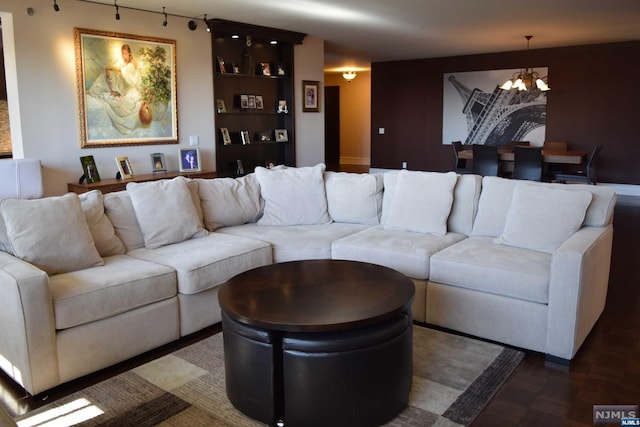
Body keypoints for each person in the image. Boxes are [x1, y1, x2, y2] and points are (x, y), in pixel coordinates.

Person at [87, 44, 143, 134]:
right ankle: (97, 89)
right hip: (125, 87)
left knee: (126, 104)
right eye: (122, 53)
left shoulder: (133, 62)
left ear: (129, 53)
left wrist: (109, 67)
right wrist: (108, 71)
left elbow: (123, 70)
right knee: (109, 75)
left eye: (125, 53)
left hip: (133, 88)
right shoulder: (123, 62)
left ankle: (125, 124)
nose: (124, 55)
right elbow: (117, 67)